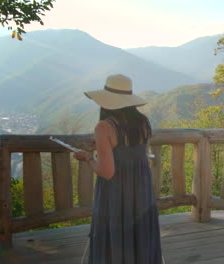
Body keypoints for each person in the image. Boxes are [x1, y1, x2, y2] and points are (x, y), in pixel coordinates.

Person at [74, 74, 163, 264]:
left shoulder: (104, 127)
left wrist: (88, 157)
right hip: (141, 190)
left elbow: (107, 172)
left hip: (116, 194)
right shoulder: (143, 123)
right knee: (141, 236)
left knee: (114, 237)